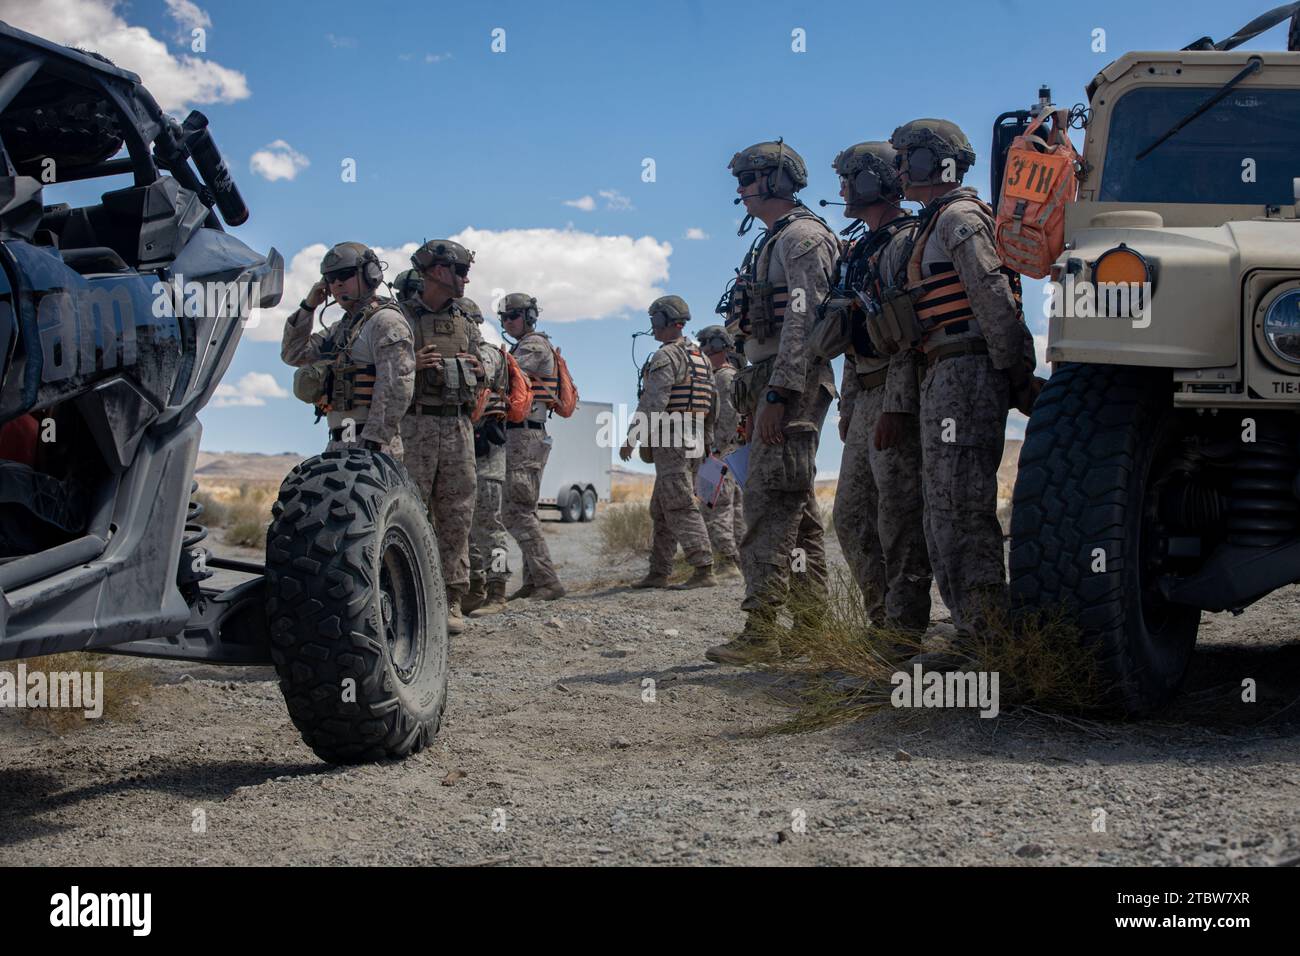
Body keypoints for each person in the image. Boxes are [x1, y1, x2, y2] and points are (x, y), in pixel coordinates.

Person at [883, 118, 1042, 644]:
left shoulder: (960, 218)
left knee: (960, 509)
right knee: (941, 512)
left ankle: (988, 640)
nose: (899, 169)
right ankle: (975, 633)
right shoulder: (935, 222)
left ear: (933, 161)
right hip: (942, 371)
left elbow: (994, 298)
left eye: (907, 158)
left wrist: (1017, 375)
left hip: (967, 370)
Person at [705, 140, 838, 666]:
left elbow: (803, 326)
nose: (739, 192)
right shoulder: (775, 240)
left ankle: (762, 632)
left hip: (790, 384)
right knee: (796, 510)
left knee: (767, 507)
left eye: (748, 180)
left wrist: (780, 394)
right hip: (770, 382)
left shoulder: (802, 238)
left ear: (776, 181)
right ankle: (809, 628)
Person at [823, 141, 932, 633]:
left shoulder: (905, 243)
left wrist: (897, 406)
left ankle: (905, 631)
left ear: (872, 181)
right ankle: (881, 622)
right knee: (850, 516)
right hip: (865, 393)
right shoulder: (863, 249)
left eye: (849, 178)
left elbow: (909, 339)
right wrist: (849, 405)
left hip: (894, 393)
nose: (842, 189)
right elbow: (855, 332)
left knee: (900, 519)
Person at [396, 239, 491, 636]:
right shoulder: (399, 316)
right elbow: (370, 362)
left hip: (457, 426)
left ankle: (452, 598)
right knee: (406, 513)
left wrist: (480, 365)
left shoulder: (465, 322)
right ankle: (404, 596)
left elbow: (492, 358)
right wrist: (409, 363)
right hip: (413, 425)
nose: (466, 278)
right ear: (436, 271)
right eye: (460, 270)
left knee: (457, 515)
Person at [619, 296, 717, 590]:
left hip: (672, 437)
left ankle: (703, 567)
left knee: (679, 504)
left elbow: (653, 402)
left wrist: (631, 438)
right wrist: (708, 440)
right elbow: (714, 404)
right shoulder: (701, 358)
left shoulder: (666, 356)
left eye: (654, 320)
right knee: (661, 509)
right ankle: (658, 571)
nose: (652, 327)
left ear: (665, 319)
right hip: (695, 436)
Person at [281, 242, 413, 456]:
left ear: (370, 274)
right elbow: (292, 354)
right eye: (330, 278)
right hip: (339, 442)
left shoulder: (386, 322)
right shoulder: (340, 329)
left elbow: (397, 385)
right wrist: (308, 306)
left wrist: (373, 443)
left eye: (345, 274)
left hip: (373, 446)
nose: (337, 283)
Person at [499, 293, 566, 601]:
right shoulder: (526, 345)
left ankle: (548, 581)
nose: (506, 322)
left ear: (527, 316)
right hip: (522, 435)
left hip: (524, 436)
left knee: (516, 512)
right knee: (526, 510)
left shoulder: (534, 346)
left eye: (511, 316)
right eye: (503, 317)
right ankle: (533, 582)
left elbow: (503, 375)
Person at [462, 297, 513, 618]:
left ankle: (498, 591)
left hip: (488, 459)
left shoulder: (488, 354)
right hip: (465, 457)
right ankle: (474, 587)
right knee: (466, 529)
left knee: (490, 528)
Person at [694, 324, 744, 580]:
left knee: (714, 508)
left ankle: (727, 562)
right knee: (732, 508)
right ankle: (737, 560)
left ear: (714, 346)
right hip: (729, 452)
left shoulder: (723, 377)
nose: (700, 349)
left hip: (718, 453)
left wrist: (714, 450)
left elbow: (727, 417)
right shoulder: (728, 375)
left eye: (703, 344)